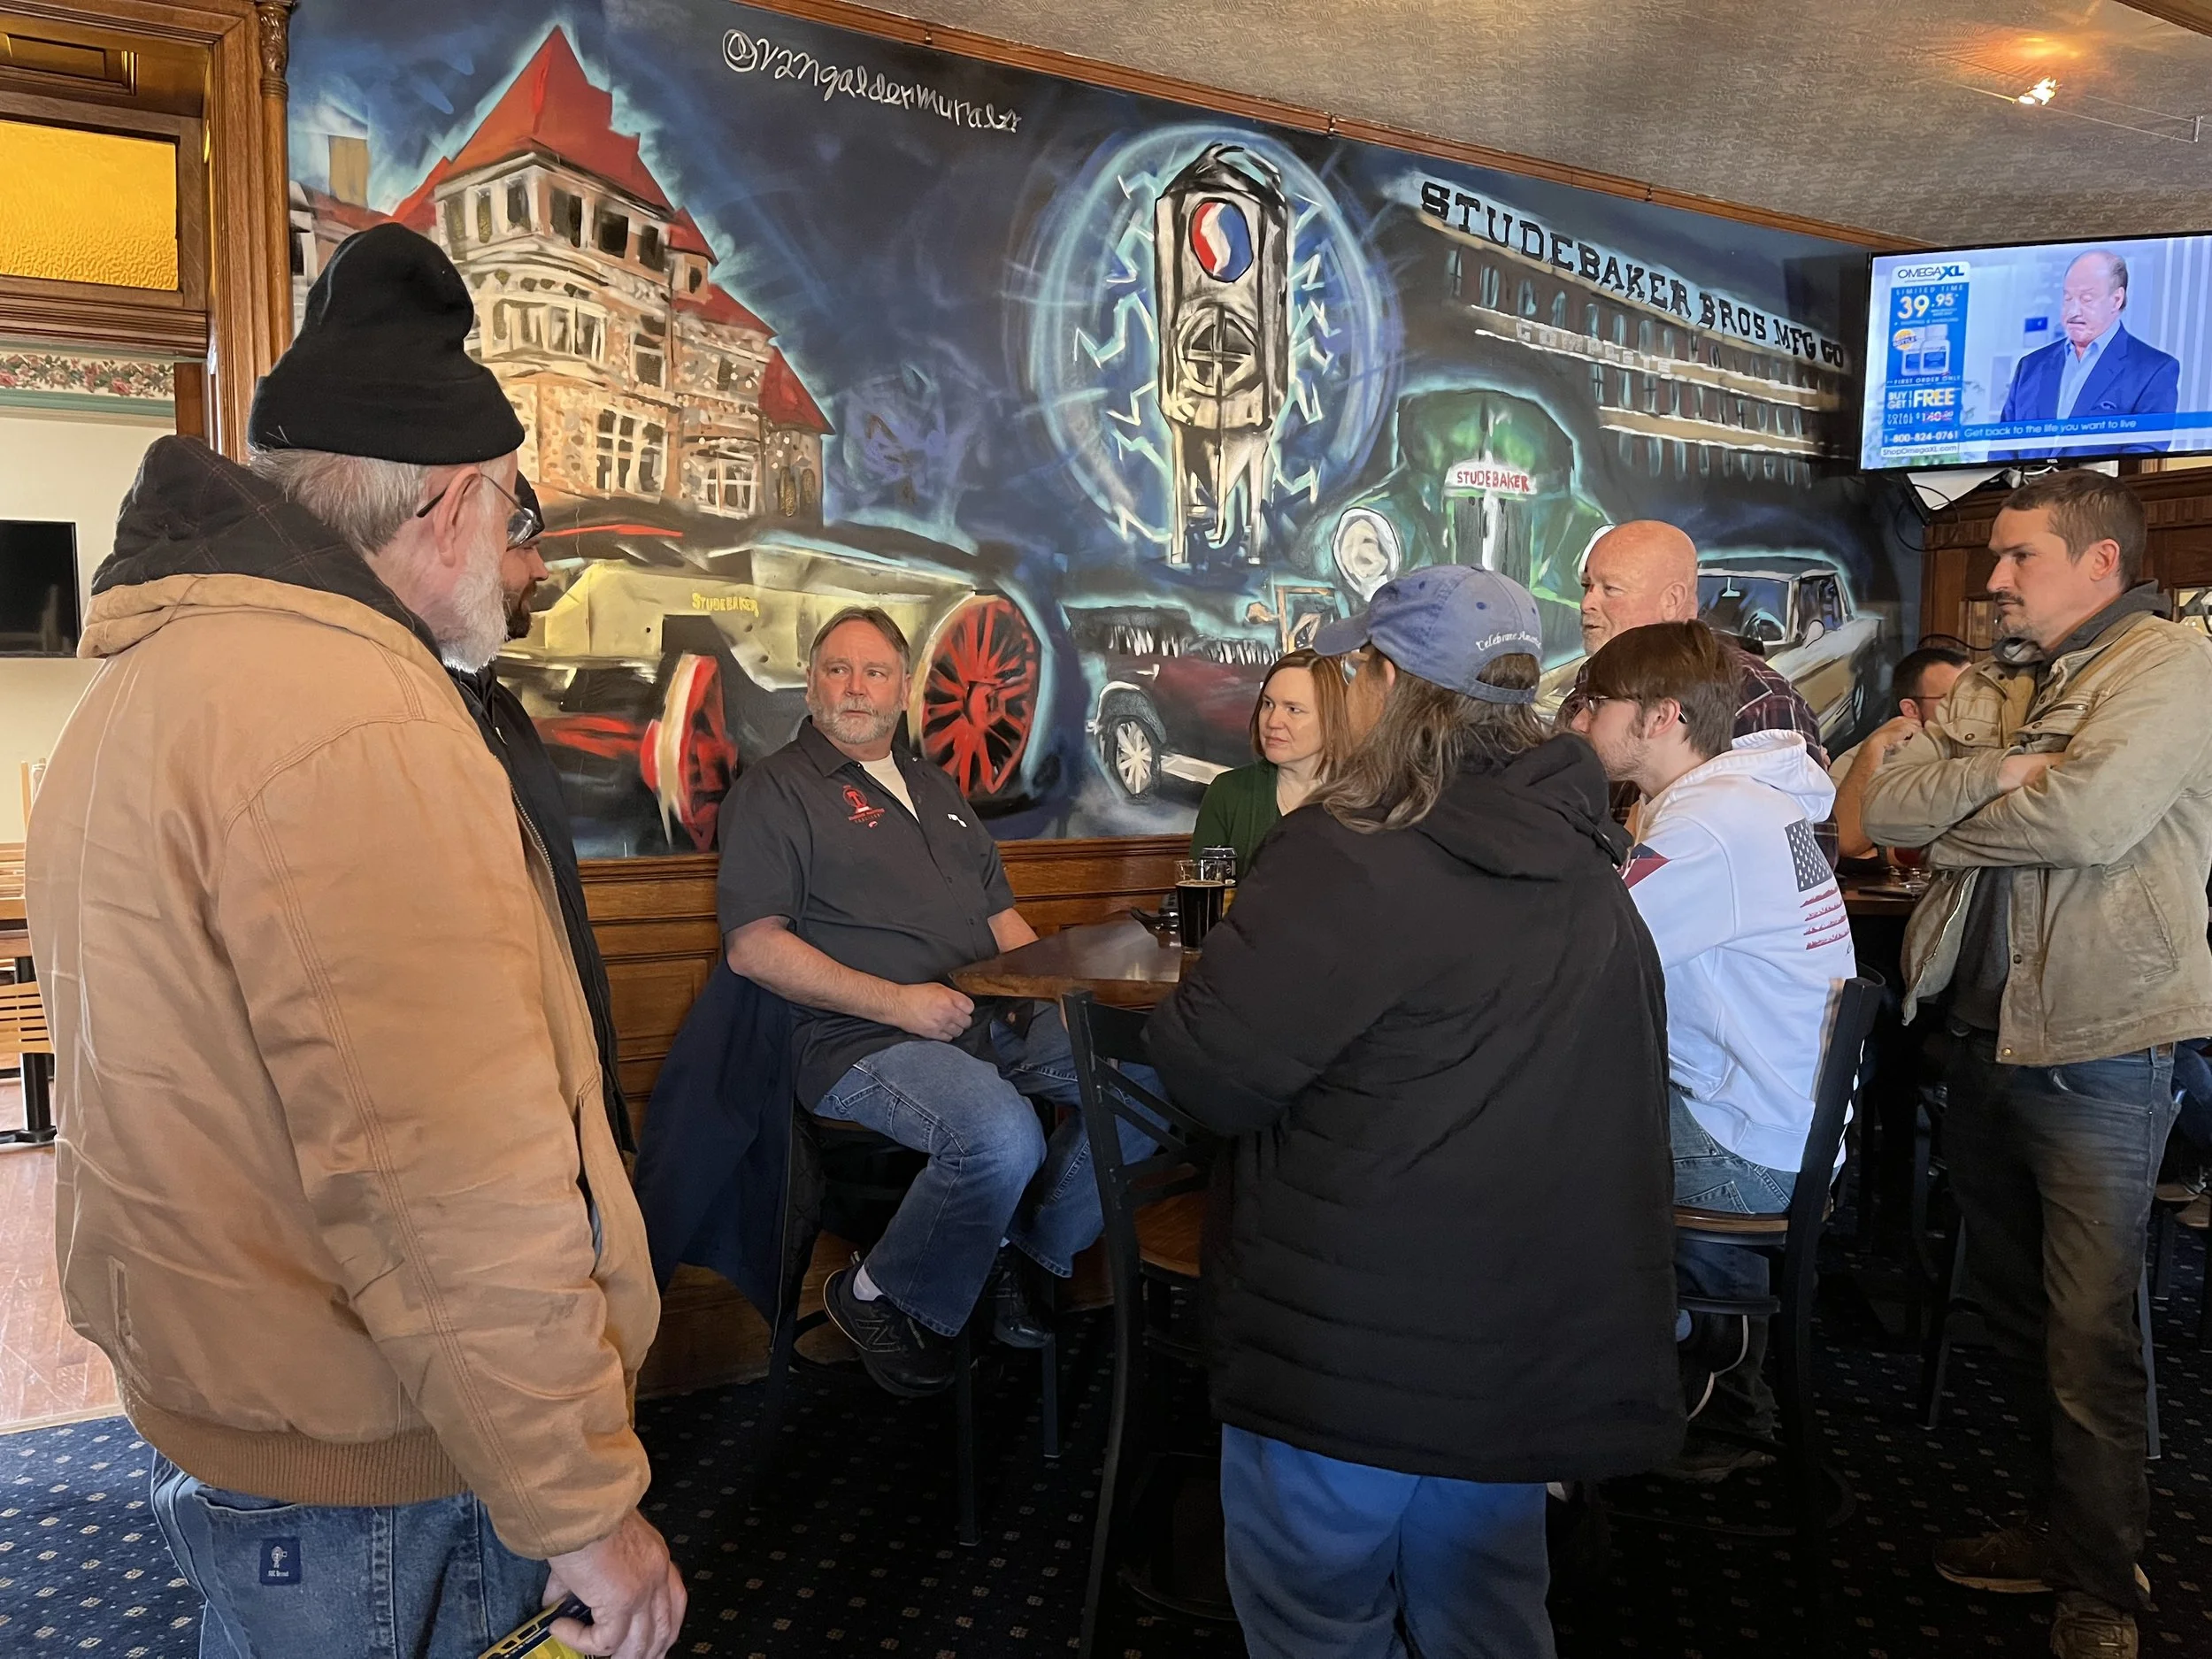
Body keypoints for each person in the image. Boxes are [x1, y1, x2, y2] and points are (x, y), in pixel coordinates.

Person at [22, 223, 683, 1659]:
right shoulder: (363, 726)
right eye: (515, 515)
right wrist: (585, 1507)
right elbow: (444, 1183)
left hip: (246, 1427)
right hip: (382, 1469)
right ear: (448, 505)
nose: (517, 555)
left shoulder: (148, 690)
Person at [1147, 565, 1683, 1659]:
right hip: (1515, 1347)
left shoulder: (1348, 854)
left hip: (1348, 1345)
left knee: (1314, 1620)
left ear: (1386, 684)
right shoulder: (1589, 862)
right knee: (1487, 1616)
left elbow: (1209, 1071)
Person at [1862, 468, 2212, 1659]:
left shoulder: (2170, 666)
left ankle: (2105, 1580)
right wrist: (2000, 777)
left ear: (2100, 562)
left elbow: (2088, 821)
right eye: (1995, 556)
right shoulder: (2008, 678)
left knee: (2090, 1330)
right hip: (1973, 1036)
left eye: (2018, 558)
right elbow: (1880, 804)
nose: (1994, 578)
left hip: (2102, 1040)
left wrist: (1966, 801)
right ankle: (2045, 1525)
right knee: (2011, 1317)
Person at [717, 606, 1143, 1398]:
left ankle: (1021, 1246)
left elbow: (1004, 924)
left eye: (875, 672)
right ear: (810, 683)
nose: (856, 687)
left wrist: (1076, 999)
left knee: (1147, 1081)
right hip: (859, 1039)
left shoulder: (936, 789)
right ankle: (873, 1292)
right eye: (838, 669)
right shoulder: (774, 791)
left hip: (990, 1021)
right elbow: (754, 947)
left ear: (904, 690)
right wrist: (900, 1004)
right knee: (1002, 1136)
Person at [1572, 620, 1856, 1482]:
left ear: (1659, 717)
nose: (1578, 723)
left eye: (1593, 705)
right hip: (1784, 1125)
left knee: (1516, 1140)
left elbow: (1580, 959)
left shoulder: (1709, 826)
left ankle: (1679, 1341)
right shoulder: (1750, 803)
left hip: (1745, 1150)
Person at [449, 472, 634, 1154]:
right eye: (521, 545)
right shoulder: (424, 719)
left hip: (553, 1096)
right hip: (498, 1119)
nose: (542, 568)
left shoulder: (499, 711)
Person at [1568, 519, 1837, 862]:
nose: (1586, 603)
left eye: (1610, 589)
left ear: (1672, 600)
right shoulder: (1588, 679)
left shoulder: (1756, 697)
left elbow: (1804, 860)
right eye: (1587, 585)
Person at [1993, 251, 2181, 462]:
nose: (2073, 311)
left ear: (2116, 299)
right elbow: (2003, 447)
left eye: (2087, 299)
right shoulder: (2030, 366)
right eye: (2067, 298)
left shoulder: (2154, 369)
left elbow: (2144, 451)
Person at [1189, 646, 1352, 869]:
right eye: (1268, 704)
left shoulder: (1364, 800)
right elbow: (1204, 896)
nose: (1273, 721)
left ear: (1333, 720)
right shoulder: (1228, 792)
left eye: (1293, 709)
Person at [1832, 643, 1972, 861]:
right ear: (1912, 710)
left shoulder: (1994, 749)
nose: (1970, 709)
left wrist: (1892, 852)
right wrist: (1874, 747)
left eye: (1975, 699)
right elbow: (1846, 844)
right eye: (1953, 699)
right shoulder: (1866, 756)